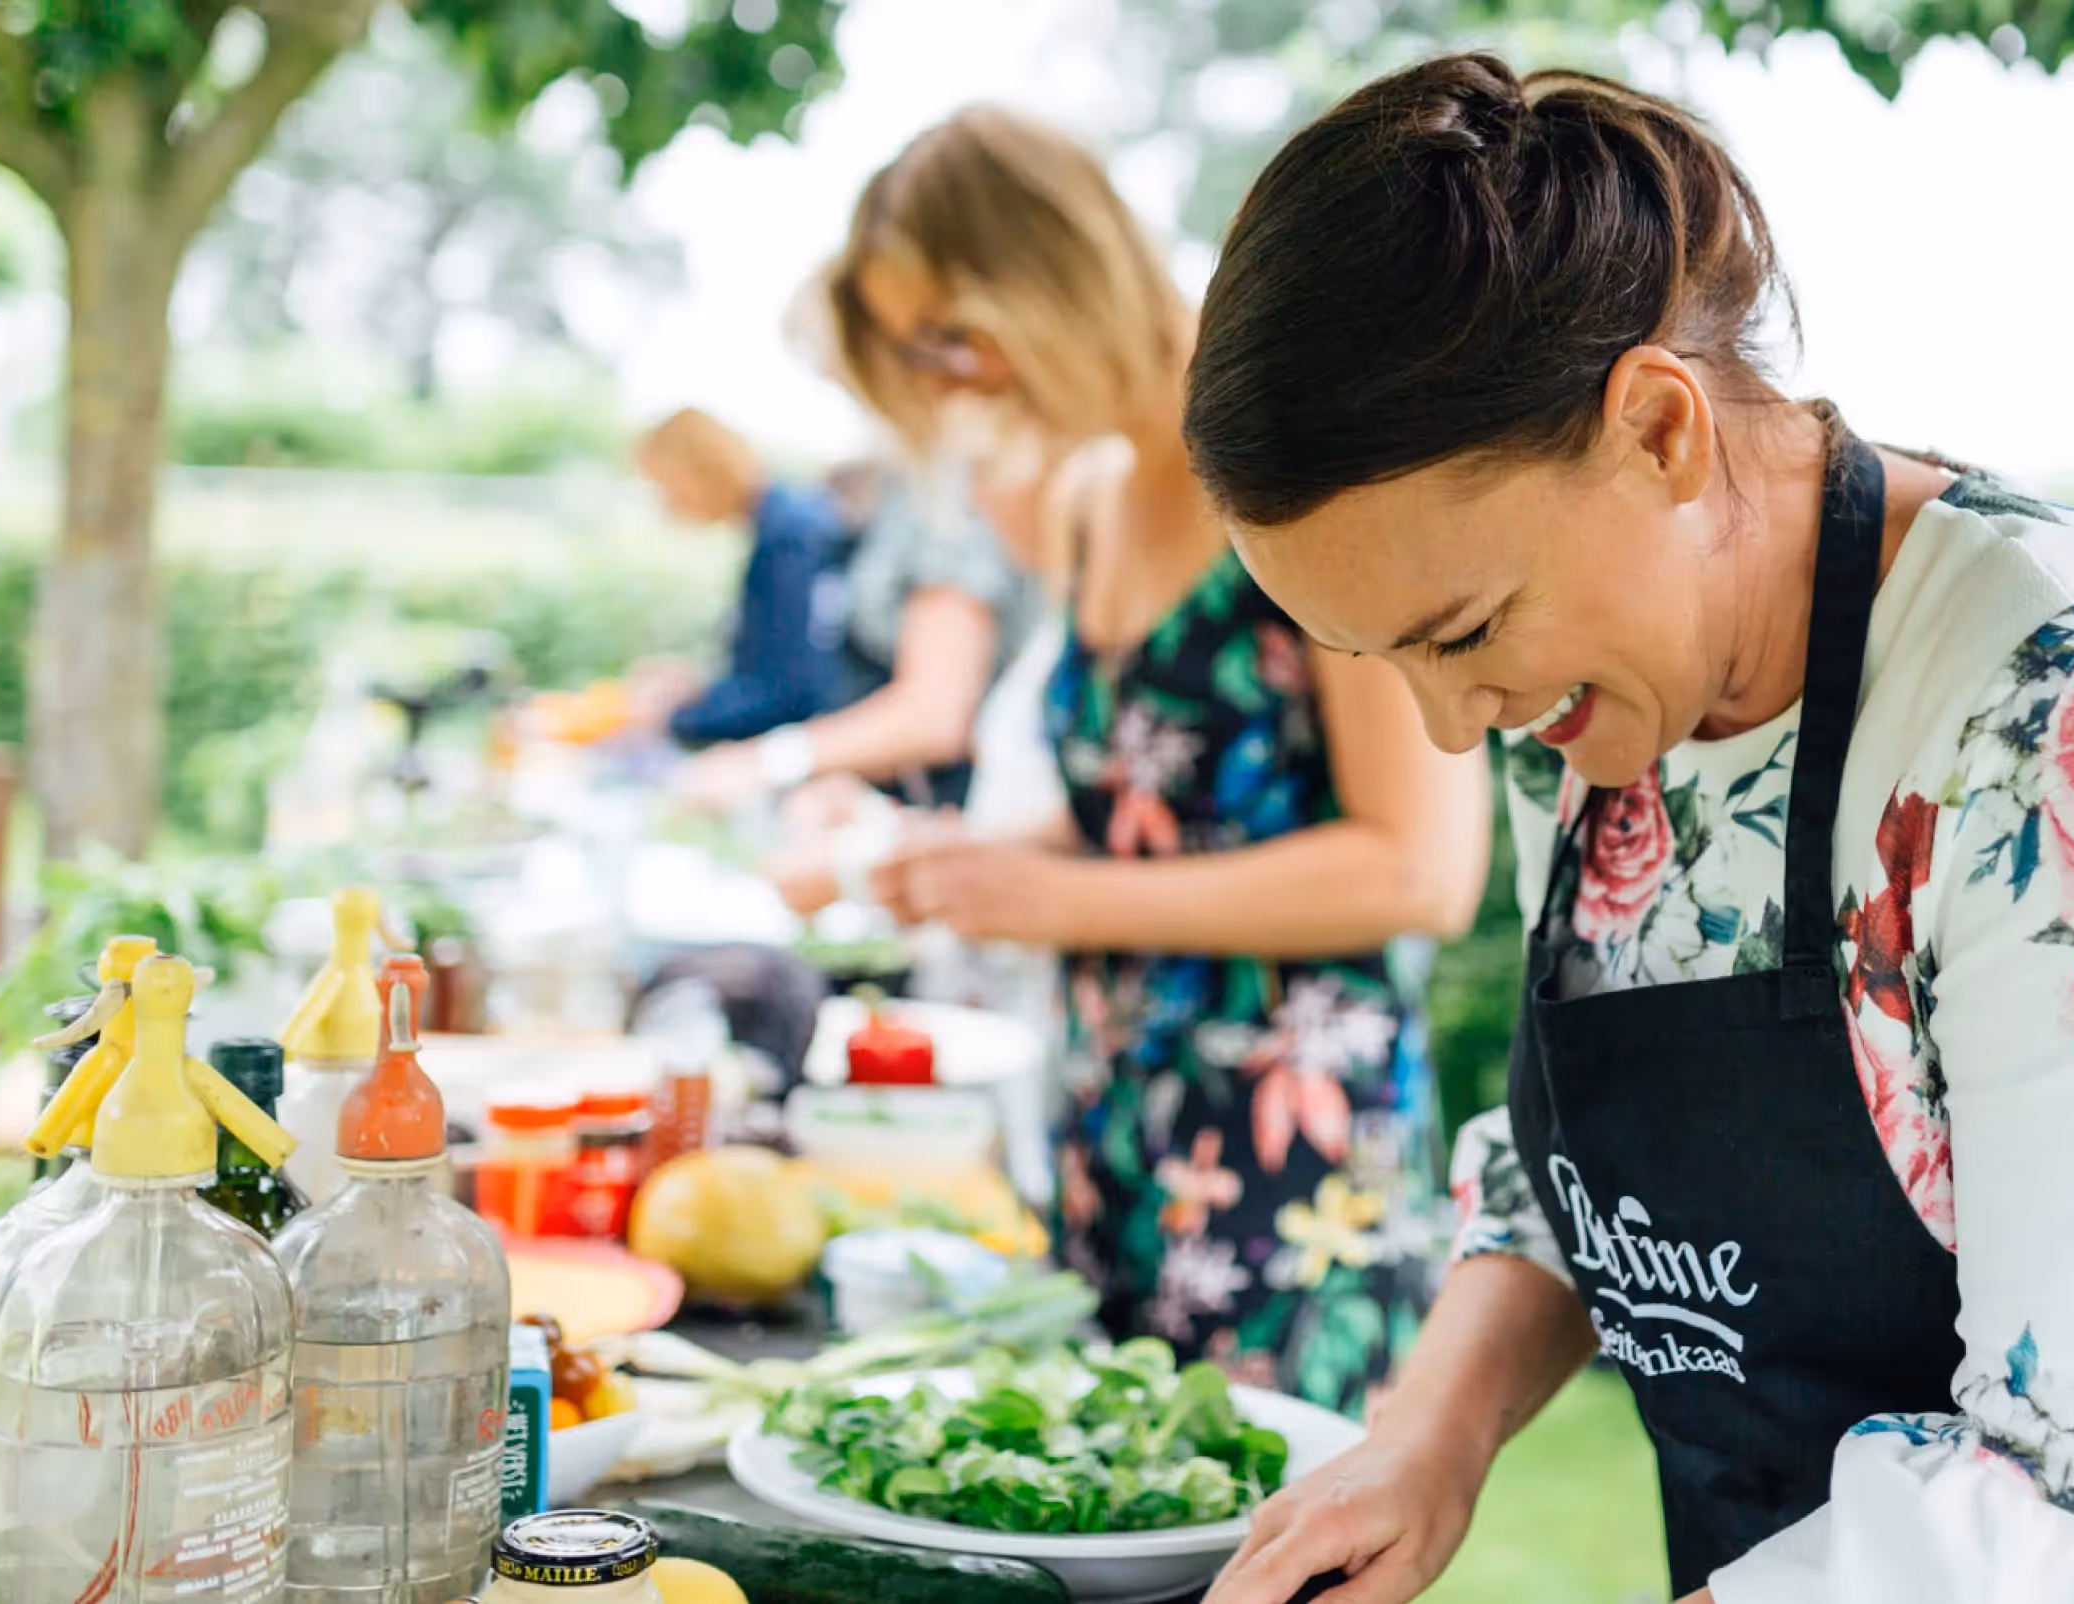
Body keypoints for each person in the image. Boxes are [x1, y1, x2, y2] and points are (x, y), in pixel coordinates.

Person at [1188, 55, 2074, 1604]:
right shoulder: (1598, 702)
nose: (1447, 725)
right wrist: (1429, 1438)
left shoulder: (2073, 696)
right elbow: (1583, 1177)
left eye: (1460, 631)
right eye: (1378, 657)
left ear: (1659, 431)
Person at [842, 107, 1493, 1416]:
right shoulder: (1087, 499)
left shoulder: (1298, 459)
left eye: (949, 342)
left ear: (1051, 280)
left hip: (1286, 1172)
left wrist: (1062, 899)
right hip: (1110, 1140)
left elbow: (1420, 871)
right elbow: (1147, 817)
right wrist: (972, 866)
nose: (951, 389)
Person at [670, 429, 1035, 813]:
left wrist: (765, 760)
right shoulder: (898, 480)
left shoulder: (943, 481)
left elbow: (933, 716)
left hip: (959, 801)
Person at [631, 407, 870, 745]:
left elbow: (791, 689)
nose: (667, 505)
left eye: (666, 488)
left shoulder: (788, 537)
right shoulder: (779, 524)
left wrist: (675, 720)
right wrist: (699, 689)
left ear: (697, 473)